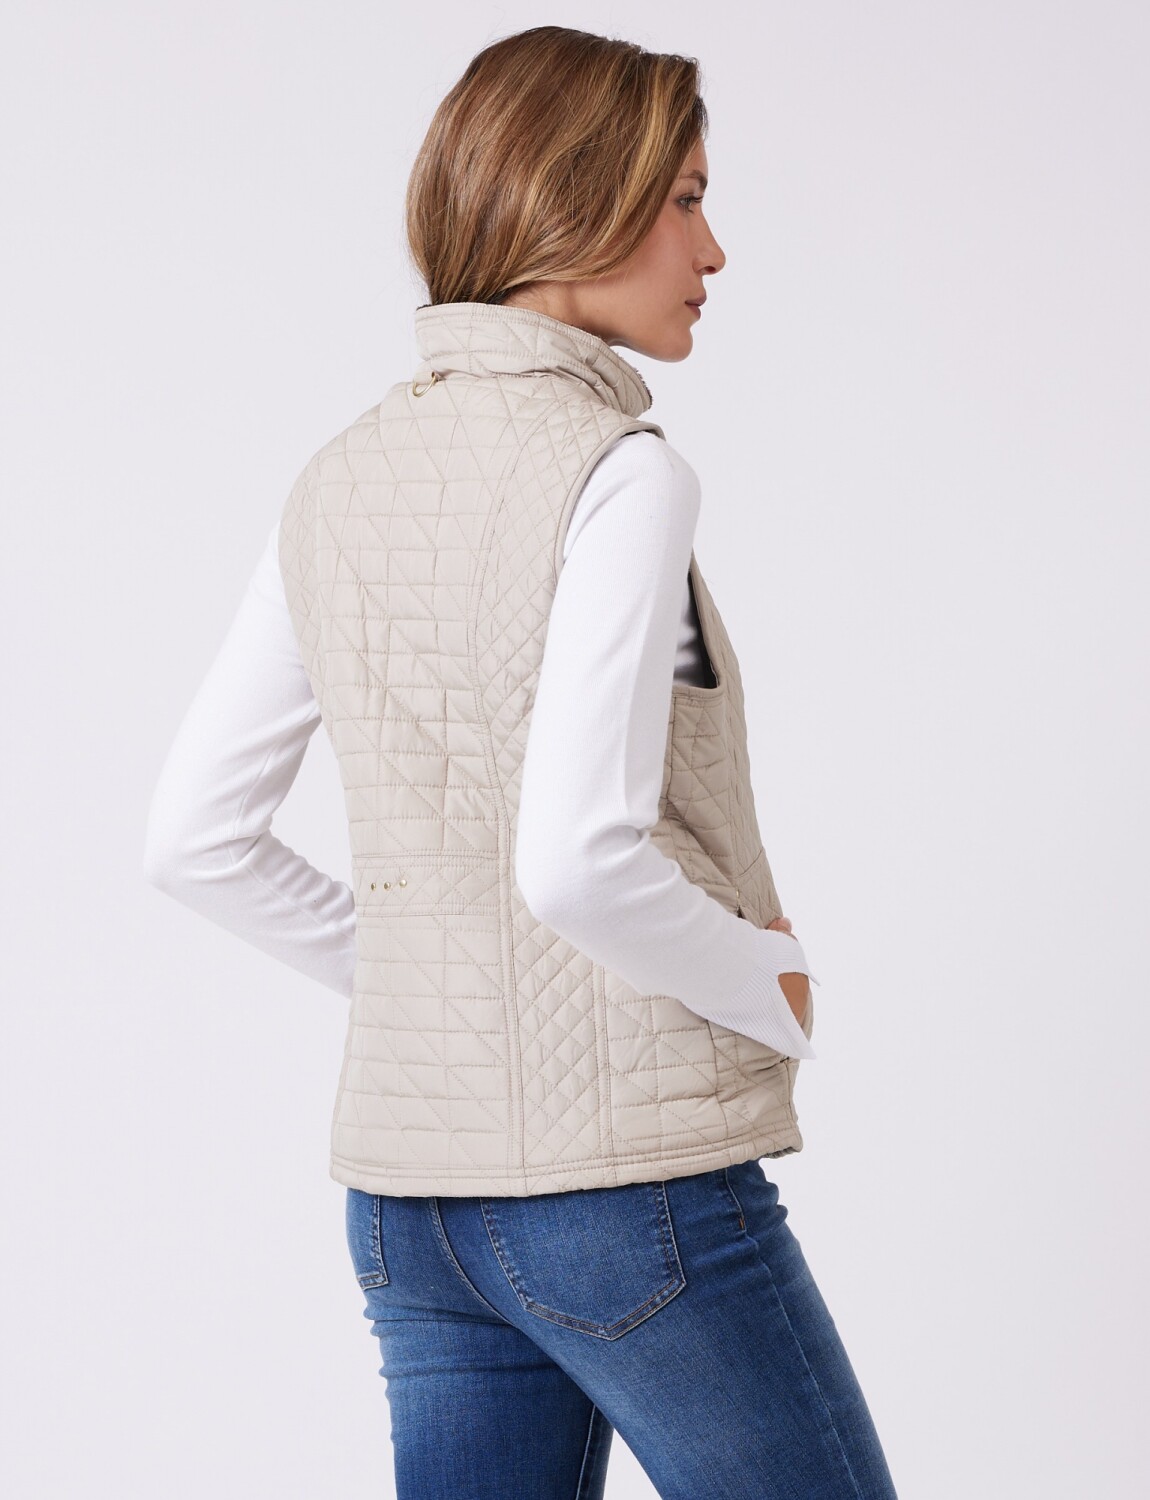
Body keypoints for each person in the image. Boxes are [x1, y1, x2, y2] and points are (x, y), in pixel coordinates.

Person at [143, 24, 899, 1500]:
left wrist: (434, 993)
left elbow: (193, 841)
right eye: (685, 198)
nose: (715, 248)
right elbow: (576, 858)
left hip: (409, 1206)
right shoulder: (620, 472)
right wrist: (766, 982)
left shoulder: (336, 481)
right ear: (579, 198)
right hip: (624, 1197)